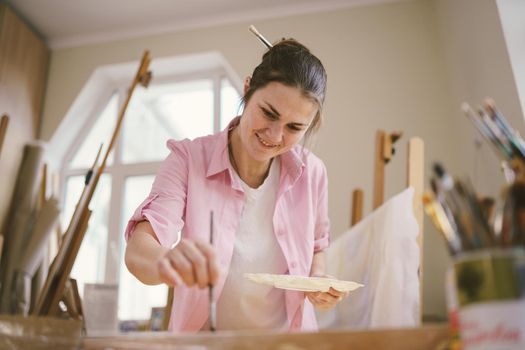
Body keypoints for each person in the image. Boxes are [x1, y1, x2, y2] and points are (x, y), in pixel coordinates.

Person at [124, 38, 347, 333]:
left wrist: (317, 279)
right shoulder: (188, 160)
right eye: (268, 113)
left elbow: (318, 245)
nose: (275, 135)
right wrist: (169, 260)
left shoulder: (312, 173)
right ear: (246, 89)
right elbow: (139, 251)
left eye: (295, 128)